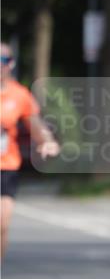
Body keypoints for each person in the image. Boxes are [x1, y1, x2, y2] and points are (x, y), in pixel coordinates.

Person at [1, 42, 60, 266]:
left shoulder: (20, 95)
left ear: (11, 64)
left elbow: (35, 125)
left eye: (3, 61)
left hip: (7, 166)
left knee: (3, 224)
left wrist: (47, 141)